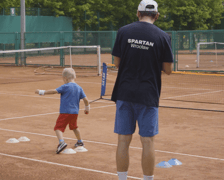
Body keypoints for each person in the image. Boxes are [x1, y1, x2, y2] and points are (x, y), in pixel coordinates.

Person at [111, 0, 173, 180]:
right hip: (148, 94)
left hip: (124, 92)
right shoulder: (163, 36)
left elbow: (117, 63)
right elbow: (168, 70)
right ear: (157, 15)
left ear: (138, 13)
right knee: (147, 142)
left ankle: (122, 178)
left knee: (123, 140)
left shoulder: (123, 31)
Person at [35, 68, 90, 154]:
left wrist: (41, 92)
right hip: (75, 113)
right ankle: (80, 141)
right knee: (74, 127)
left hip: (65, 112)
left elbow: (54, 91)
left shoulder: (65, 86)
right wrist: (87, 109)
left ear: (65, 78)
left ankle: (61, 142)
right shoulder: (79, 88)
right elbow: (86, 100)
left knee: (58, 128)